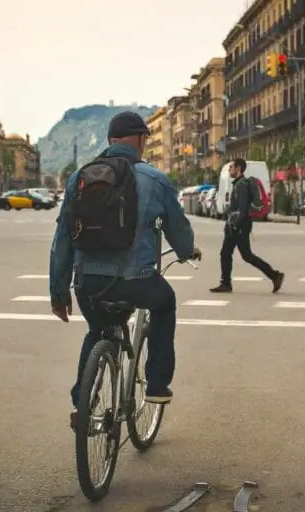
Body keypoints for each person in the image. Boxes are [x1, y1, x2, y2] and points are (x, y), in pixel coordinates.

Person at [49, 111, 201, 427]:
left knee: (97, 330)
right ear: (141, 140)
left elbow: (62, 239)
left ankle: (82, 404)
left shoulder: (79, 178)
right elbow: (178, 230)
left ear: (110, 140)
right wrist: (187, 252)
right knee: (165, 302)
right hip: (136, 282)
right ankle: (157, 384)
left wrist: (59, 292)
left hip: (88, 283)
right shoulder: (155, 179)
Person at [210, 158, 284, 293]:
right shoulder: (239, 184)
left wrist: (235, 224)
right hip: (238, 225)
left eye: (231, 167)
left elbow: (243, 209)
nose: (229, 169)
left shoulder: (241, 185)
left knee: (235, 254)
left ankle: (227, 283)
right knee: (235, 254)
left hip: (238, 226)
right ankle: (274, 275)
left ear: (238, 168)